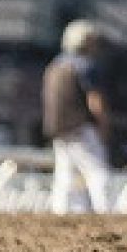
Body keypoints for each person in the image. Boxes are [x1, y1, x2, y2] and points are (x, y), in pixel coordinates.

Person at [42, 19, 113, 214]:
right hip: (80, 126)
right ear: (86, 41)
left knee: (66, 176)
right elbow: (95, 100)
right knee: (98, 171)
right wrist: (104, 125)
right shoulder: (86, 66)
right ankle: (106, 213)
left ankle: (63, 213)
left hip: (57, 127)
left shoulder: (55, 65)